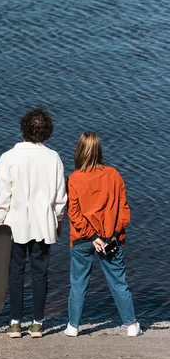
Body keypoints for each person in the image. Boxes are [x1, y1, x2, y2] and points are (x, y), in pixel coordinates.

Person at [0, 108, 67, 338]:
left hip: (15, 224)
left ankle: (15, 322)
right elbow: (60, 197)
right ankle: (37, 322)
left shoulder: (8, 157)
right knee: (40, 273)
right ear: (47, 131)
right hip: (43, 224)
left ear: (24, 128)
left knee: (16, 272)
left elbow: (2, 197)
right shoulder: (53, 158)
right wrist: (58, 220)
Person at [65, 131, 141, 337]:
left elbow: (74, 213)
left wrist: (91, 236)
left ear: (79, 151)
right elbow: (124, 210)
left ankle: (73, 326)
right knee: (118, 281)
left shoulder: (74, 179)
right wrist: (112, 234)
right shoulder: (113, 174)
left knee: (79, 282)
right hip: (110, 238)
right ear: (99, 150)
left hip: (82, 238)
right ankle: (131, 325)